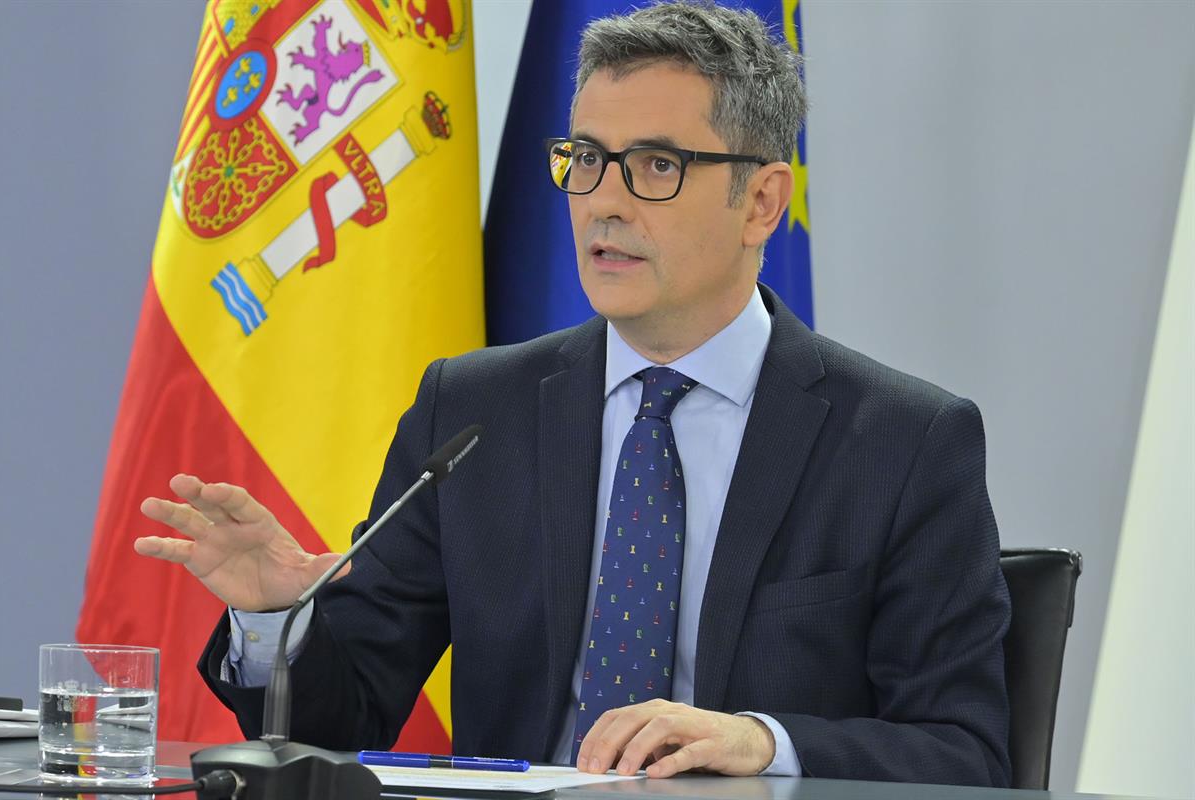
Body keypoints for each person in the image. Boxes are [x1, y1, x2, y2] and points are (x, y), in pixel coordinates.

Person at [136, 1, 1011, 786]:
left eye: (656, 166)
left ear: (762, 202)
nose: (603, 205)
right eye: (587, 159)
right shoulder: (474, 410)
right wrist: (276, 620)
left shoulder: (902, 442)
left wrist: (762, 741)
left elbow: (963, 753)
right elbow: (341, 717)